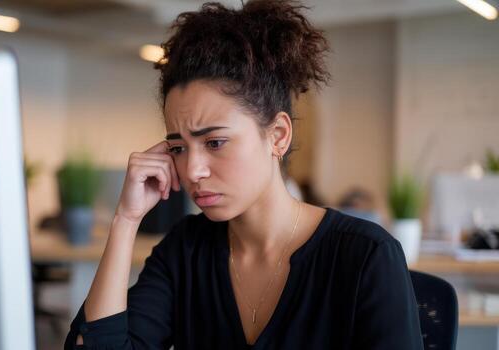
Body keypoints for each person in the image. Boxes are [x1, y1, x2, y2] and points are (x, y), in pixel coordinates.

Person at [64, 1, 423, 349]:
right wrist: (126, 220)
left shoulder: (364, 256)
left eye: (216, 142)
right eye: (178, 147)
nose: (192, 170)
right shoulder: (185, 251)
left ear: (278, 136)